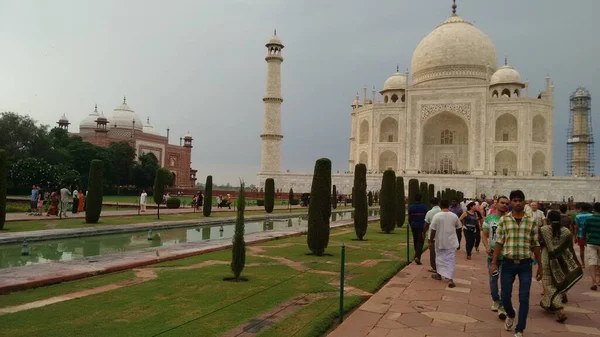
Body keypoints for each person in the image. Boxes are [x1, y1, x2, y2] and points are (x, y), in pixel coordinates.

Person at [490, 190, 542, 337]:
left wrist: (541, 266)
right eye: (515, 200)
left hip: (525, 264)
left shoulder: (531, 221)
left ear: (524, 202)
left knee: (524, 297)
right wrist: (494, 263)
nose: (517, 203)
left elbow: (535, 244)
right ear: (511, 202)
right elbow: (499, 242)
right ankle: (511, 313)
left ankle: (520, 329)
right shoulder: (504, 220)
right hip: (508, 263)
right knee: (505, 296)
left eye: (520, 200)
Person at [539, 210, 583, 323]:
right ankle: (549, 303)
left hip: (546, 258)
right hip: (560, 260)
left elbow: (542, 244)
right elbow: (569, 247)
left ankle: (559, 309)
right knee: (558, 281)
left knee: (548, 283)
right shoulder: (566, 232)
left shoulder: (544, 229)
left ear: (548, 219)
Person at [482, 195, 509, 320]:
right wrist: (486, 247)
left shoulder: (510, 219)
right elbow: (484, 234)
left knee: (505, 281)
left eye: (506, 203)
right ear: (496, 204)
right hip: (492, 254)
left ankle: (503, 305)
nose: (504, 205)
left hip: (506, 255)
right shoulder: (490, 218)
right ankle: (496, 300)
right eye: (502, 202)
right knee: (493, 279)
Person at [429, 199, 462, 288]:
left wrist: (431, 240)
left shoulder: (437, 216)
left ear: (440, 205)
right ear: (448, 205)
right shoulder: (454, 216)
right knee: (450, 260)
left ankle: (439, 275)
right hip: (450, 241)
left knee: (439, 259)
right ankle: (450, 279)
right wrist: (459, 240)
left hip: (439, 241)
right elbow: (459, 228)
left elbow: (433, 230)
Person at [582, 202, 600, 290]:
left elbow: (584, 231)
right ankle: (599, 280)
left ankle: (594, 282)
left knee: (592, 262)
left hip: (591, 242)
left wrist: (585, 240)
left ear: (594, 209)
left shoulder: (589, 219)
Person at [424, 198, 442, 279]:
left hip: (432, 235)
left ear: (431, 204)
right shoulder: (442, 212)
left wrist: (423, 232)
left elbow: (426, 224)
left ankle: (435, 268)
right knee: (441, 252)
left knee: (433, 253)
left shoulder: (430, 212)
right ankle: (441, 269)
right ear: (438, 203)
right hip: (442, 235)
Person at [408, 193, 428, 265]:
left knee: (416, 240)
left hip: (414, 225)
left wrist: (411, 224)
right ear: (421, 199)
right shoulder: (424, 207)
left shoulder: (411, 207)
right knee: (420, 241)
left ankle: (417, 255)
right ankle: (417, 257)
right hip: (421, 226)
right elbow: (426, 218)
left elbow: (409, 218)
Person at [574, 203, 592, 269]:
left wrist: (575, 236)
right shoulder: (592, 215)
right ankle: (592, 264)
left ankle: (583, 264)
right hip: (589, 235)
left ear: (581, 208)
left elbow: (576, 227)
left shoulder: (578, 216)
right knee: (591, 250)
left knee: (582, 249)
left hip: (580, 235)